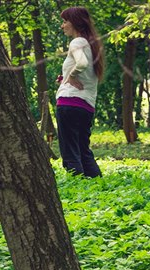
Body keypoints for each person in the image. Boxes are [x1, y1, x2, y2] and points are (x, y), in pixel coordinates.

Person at [56, 7, 104, 178]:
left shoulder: (77, 42)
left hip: (69, 104)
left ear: (75, 22)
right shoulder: (91, 44)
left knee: (70, 153)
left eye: (65, 21)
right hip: (85, 106)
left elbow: (81, 64)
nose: (62, 26)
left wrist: (71, 75)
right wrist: (65, 79)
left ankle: (78, 189)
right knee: (84, 151)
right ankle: (97, 186)